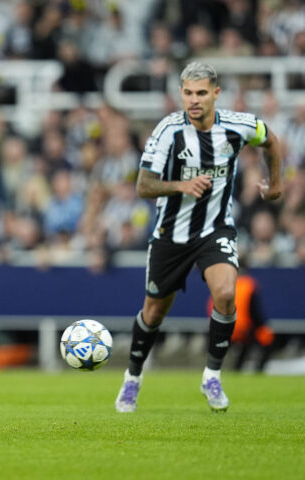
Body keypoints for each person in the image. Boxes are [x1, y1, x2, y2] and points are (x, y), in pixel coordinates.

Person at [115, 61, 282, 413]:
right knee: (154, 312)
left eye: (201, 93)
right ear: (181, 93)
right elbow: (143, 185)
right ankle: (132, 379)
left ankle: (212, 376)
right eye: (188, 93)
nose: (194, 100)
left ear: (215, 94)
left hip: (214, 228)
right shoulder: (167, 131)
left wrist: (277, 183)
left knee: (225, 293)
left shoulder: (237, 126)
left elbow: (271, 140)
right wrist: (181, 185)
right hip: (171, 234)